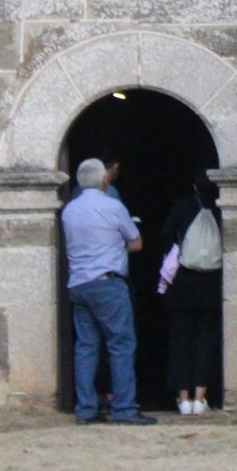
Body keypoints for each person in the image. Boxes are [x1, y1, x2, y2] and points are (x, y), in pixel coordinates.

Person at [61, 158, 154, 425]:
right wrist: (114, 248)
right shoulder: (113, 207)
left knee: (86, 346)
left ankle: (86, 409)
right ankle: (123, 408)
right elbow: (136, 243)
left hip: (79, 283)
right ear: (105, 180)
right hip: (107, 283)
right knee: (121, 345)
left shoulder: (69, 211)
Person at [159, 175, 223, 415]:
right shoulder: (220, 205)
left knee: (181, 340)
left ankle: (183, 398)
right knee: (206, 341)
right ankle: (200, 397)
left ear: (194, 185)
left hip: (184, 283)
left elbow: (166, 234)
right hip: (212, 283)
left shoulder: (182, 205)